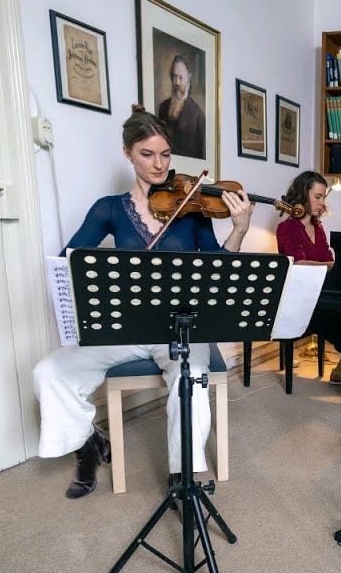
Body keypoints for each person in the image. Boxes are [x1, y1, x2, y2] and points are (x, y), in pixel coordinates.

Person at [33, 105, 253, 499]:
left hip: (183, 326)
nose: (158, 165)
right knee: (50, 372)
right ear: (127, 153)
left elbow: (218, 268)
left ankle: (182, 478)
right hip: (130, 327)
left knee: (189, 379)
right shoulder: (109, 209)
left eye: (165, 155)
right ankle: (88, 444)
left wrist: (238, 230)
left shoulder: (193, 209)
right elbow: (70, 261)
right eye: (147, 154)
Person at [274, 171, 341, 388]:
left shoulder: (317, 227)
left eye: (324, 197)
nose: (322, 202)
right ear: (302, 195)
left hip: (322, 295)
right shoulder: (286, 228)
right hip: (301, 301)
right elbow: (298, 264)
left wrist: (335, 266)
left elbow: (327, 258)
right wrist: (333, 266)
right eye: (318, 197)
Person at [156, 54, 206, 159]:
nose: (177, 83)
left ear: (189, 78)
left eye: (181, 77)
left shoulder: (198, 115)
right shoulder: (163, 108)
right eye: (174, 76)